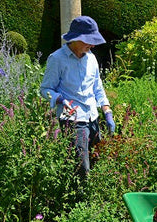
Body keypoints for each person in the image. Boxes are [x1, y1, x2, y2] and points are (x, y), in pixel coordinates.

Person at [40, 16, 115, 178]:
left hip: (92, 116)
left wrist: (107, 110)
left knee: (97, 159)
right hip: (72, 117)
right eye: (88, 40)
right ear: (75, 38)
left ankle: (95, 196)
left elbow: (98, 88)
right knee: (81, 167)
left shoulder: (92, 59)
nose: (92, 45)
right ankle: (80, 200)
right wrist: (59, 99)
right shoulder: (57, 59)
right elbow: (45, 89)